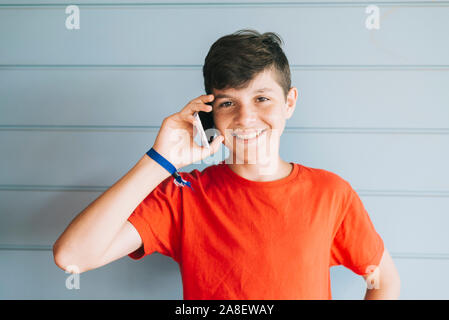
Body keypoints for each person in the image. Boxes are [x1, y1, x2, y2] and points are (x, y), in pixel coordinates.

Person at [53, 29, 400, 300]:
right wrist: (162, 160)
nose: (246, 118)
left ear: (289, 102)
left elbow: (384, 279)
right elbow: (72, 257)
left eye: (261, 98)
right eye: (228, 103)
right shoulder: (184, 195)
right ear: (209, 114)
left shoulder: (331, 193)